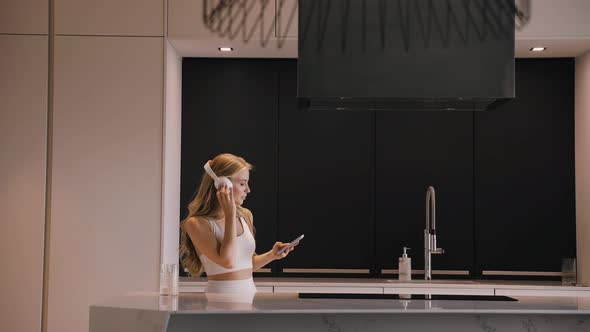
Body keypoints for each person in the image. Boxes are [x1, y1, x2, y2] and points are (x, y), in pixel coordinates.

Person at [179, 153, 298, 303]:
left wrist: (272, 255)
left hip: (250, 296)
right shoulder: (196, 223)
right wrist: (230, 216)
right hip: (220, 302)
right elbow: (227, 261)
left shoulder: (246, 215)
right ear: (222, 184)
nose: (248, 190)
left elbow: (245, 265)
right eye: (242, 183)